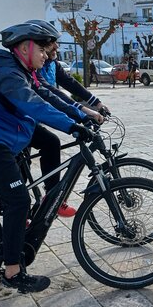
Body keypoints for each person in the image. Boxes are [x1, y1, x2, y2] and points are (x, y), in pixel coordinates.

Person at [0, 22, 94, 293]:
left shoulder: (22, 72)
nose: (46, 55)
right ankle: (13, 271)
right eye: (42, 50)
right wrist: (71, 126)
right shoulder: (9, 75)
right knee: (18, 201)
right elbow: (33, 104)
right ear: (25, 47)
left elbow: (47, 95)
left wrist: (80, 115)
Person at [28, 20, 106, 217]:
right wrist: (75, 120)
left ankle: (53, 198)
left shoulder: (50, 64)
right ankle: (30, 208)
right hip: (23, 120)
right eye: (52, 43)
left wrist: (92, 105)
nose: (56, 47)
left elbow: (66, 86)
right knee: (22, 166)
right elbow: (47, 98)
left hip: (32, 119)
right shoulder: (30, 70)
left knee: (50, 144)